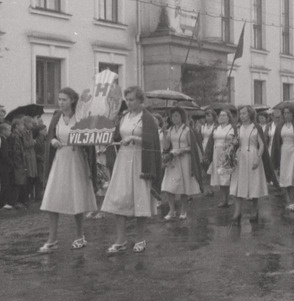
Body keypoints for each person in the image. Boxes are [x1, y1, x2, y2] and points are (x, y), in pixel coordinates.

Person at [101, 86, 163, 254]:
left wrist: (135, 138)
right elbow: (116, 135)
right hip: (124, 159)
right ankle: (121, 239)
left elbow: (153, 141)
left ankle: (140, 239)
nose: (128, 102)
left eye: (132, 99)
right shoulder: (123, 117)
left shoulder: (147, 118)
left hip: (140, 161)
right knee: (119, 198)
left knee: (140, 198)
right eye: (127, 99)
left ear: (140, 100)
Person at [38, 88, 98, 252]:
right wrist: (53, 141)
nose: (61, 102)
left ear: (72, 100)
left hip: (75, 158)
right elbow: (51, 135)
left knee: (76, 197)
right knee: (52, 198)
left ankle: (80, 236)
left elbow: (89, 140)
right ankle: (52, 238)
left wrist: (81, 140)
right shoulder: (56, 116)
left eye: (64, 99)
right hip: (59, 159)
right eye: (59, 99)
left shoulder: (80, 117)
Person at [230, 105, 276, 224]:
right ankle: (237, 211)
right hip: (240, 157)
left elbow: (261, 145)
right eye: (241, 114)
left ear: (250, 114)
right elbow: (234, 143)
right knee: (238, 183)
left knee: (254, 183)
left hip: (253, 155)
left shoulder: (256, 127)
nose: (242, 116)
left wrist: (258, 158)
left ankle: (254, 210)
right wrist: (234, 142)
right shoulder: (238, 128)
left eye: (244, 113)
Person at [161, 106, 202, 221]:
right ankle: (172, 210)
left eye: (177, 116)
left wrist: (180, 150)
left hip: (184, 160)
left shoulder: (187, 130)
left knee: (184, 186)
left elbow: (191, 147)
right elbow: (166, 146)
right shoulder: (170, 130)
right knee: (169, 185)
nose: (174, 118)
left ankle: (183, 210)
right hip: (173, 161)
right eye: (172, 116)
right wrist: (164, 134)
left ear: (182, 117)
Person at [203, 109, 236, 209]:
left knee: (227, 178)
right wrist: (207, 155)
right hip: (216, 154)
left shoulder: (232, 128)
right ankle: (223, 199)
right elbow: (210, 143)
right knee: (220, 178)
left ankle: (229, 198)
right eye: (220, 115)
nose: (221, 117)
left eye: (224, 115)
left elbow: (236, 141)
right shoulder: (216, 128)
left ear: (228, 117)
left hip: (227, 154)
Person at [9, 117, 29, 209]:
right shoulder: (15, 136)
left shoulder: (18, 136)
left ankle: (18, 201)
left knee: (20, 182)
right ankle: (14, 201)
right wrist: (19, 164)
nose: (23, 127)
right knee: (17, 183)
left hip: (19, 163)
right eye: (22, 125)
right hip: (18, 164)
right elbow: (16, 152)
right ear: (16, 126)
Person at [0, 123, 14, 210]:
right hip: (3, 166)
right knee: (4, 183)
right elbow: (4, 155)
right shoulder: (2, 140)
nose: (10, 132)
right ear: (3, 131)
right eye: (9, 130)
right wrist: (10, 163)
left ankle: (2, 202)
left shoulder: (4, 139)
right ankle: (2, 202)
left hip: (3, 165)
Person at [21, 116, 38, 202]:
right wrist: (33, 142)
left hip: (32, 156)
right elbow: (25, 144)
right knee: (28, 176)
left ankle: (31, 195)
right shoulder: (23, 132)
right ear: (26, 123)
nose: (32, 125)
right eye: (30, 123)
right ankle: (26, 196)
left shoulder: (30, 131)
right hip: (27, 156)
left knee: (32, 177)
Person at [199, 109, 217, 196]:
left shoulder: (216, 126)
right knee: (204, 169)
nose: (207, 117)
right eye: (206, 116)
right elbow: (200, 137)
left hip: (211, 147)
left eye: (209, 116)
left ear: (213, 117)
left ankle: (211, 188)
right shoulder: (203, 126)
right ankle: (206, 188)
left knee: (210, 168)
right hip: (203, 146)